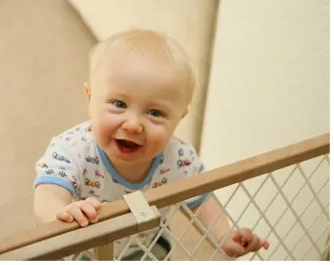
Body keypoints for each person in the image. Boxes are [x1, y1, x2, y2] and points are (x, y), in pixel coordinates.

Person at [33, 29, 269, 260]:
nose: (134, 125)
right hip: (84, 247)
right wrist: (60, 213)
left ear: (179, 119)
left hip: (147, 246)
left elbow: (201, 199)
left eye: (155, 112)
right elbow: (47, 194)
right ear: (90, 97)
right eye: (119, 104)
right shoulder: (71, 148)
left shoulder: (178, 157)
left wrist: (223, 235)